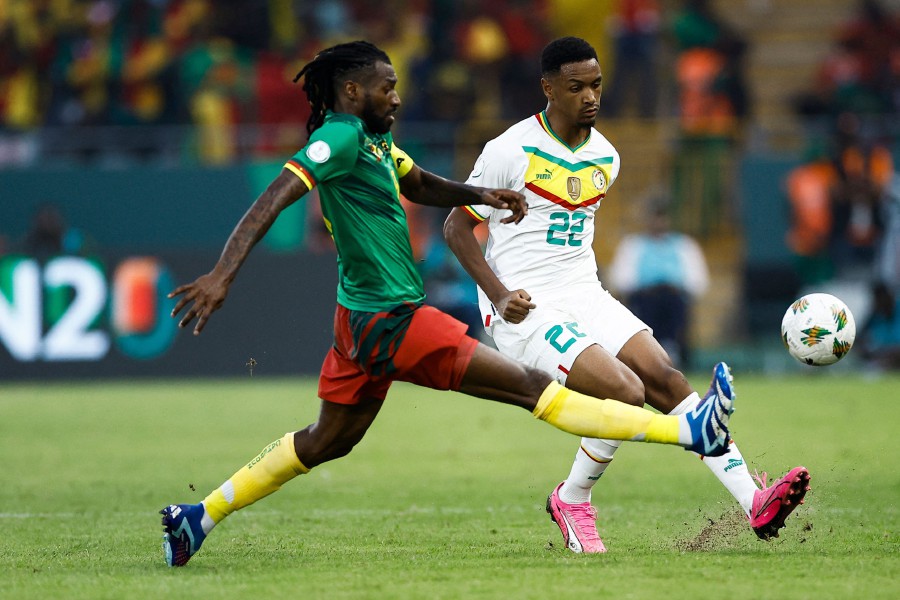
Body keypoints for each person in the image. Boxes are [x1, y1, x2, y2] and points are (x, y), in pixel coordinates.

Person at [159, 40, 735, 567]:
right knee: (534, 390)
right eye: (387, 87)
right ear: (353, 91)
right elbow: (274, 197)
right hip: (392, 320)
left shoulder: (372, 140)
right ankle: (690, 433)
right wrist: (221, 274)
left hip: (358, 321)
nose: (397, 96)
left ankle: (197, 518)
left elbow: (419, 184)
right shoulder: (335, 138)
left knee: (324, 441)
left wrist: (482, 194)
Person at [443, 36, 808, 554]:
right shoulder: (509, 150)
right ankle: (573, 498)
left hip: (585, 293)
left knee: (663, 377)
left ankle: (753, 500)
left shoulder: (606, 157)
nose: (590, 96)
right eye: (576, 87)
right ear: (548, 88)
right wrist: (499, 296)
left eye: (596, 84)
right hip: (524, 307)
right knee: (624, 391)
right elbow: (456, 229)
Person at [607, 198, 709, 368]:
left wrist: (672, 288)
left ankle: (675, 351)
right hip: (645, 300)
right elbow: (622, 282)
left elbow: (697, 283)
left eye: (663, 217)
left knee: (672, 302)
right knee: (649, 303)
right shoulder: (633, 246)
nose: (659, 222)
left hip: (675, 300)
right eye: (655, 217)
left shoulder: (684, 246)